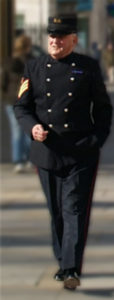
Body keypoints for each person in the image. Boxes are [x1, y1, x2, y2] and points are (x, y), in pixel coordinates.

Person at [14, 15, 112, 290]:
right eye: (51, 36)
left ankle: (70, 269)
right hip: (47, 152)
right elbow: (21, 107)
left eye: (61, 36)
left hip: (80, 152)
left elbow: (103, 109)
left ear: (74, 39)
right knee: (56, 211)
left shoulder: (88, 67)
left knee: (75, 210)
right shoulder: (33, 67)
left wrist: (97, 139)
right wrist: (32, 128)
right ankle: (62, 261)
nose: (55, 41)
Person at [2, 34, 33, 172]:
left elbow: (2, 82)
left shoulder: (8, 62)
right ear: (27, 47)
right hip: (26, 100)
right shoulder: (31, 62)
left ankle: (18, 160)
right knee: (28, 129)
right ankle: (28, 158)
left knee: (16, 130)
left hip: (11, 100)